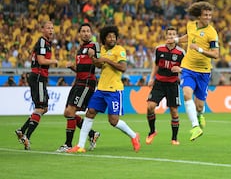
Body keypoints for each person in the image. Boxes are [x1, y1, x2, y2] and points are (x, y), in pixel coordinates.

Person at [67, 25, 141, 153]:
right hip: (101, 88)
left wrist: (106, 59)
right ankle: (80, 146)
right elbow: (99, 65)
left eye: (114, 36)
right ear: (104, 38)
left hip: (114, 90)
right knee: (90, 113)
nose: (112, 38)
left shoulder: (120, 50)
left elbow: (123, 68)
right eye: (109, 36)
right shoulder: (101, 49)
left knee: (113, 121)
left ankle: (134, 136)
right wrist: (93, 58)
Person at [170, 1, 219, 141]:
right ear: (199, 16)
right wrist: (177, 39)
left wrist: (200, 49)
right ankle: (195, 127)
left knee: (200, 106)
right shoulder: (191, 25)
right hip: (188, 68)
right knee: (186, 94)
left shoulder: (212, 33)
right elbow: (189, 36)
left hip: (203, 71)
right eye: (205, 15)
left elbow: (216, 54)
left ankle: (199, 115)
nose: (208, 17)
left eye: (210, 15)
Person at [56, 23, 101, 152]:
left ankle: (68, 144)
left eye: (88, 31)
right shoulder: (80, 49)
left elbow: (99, 65)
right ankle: (92, 134)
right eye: (83, 31)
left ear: (91, 33)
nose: (86, 33)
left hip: (87, 83)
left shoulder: (94, 46)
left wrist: (93, 56)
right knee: (67, 113)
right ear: (79, 34)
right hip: (78, 82)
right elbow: (80, 69)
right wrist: (72, 67)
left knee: (70, 112)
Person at [15, 21, 59, 150]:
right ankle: (26, 136)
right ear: (42, 30)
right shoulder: (42, 42)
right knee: (40, 107)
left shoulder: (46, 43)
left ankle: (22, 130)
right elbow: (41, 60)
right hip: (38, 76)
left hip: (40, 77)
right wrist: (53, 61)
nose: (51, 30)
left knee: (44, 108)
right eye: (48, 28)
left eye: (52, 28)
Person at [146, 27, 185, 146]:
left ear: (176, 37)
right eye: (169, 34)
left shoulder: (181, 52)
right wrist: (151, 78)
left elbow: (188, 69)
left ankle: (174, 138)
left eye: (173, 34)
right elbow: (156, 65)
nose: (171, 36)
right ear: (166, 36)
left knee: (173, 111)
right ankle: (152, 131)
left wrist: (180, 69)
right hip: (159, 83)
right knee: (150, 107)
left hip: (173, 84)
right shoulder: (159, 49)